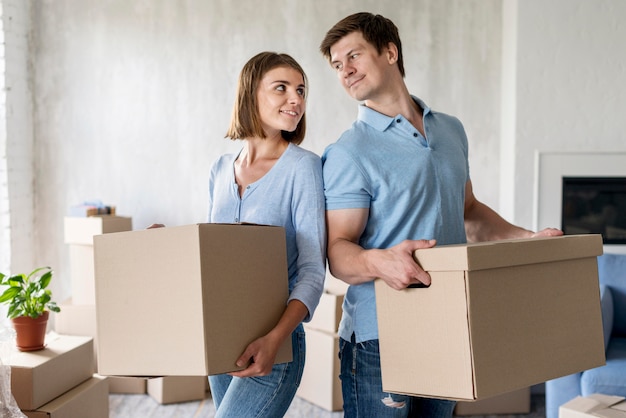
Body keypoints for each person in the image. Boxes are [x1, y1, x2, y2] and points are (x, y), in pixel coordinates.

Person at [318, 12, 562, 418]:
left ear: (390, 52)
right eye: (337, 66)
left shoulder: (451, 130)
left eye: (354, 56)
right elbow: (338, 251)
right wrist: (383, 262)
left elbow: (468, 210)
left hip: (448, 321)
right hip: (381, 337)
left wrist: (527, 238)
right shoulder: (349, 151)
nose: (346, 72)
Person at [206, 52, 326, 417]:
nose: (296, 99)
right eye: (282, 88)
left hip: (275, 342)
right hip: (220, 335)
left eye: (301, 90)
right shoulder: (221, 169)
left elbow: (311, 272)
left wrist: (276, 339)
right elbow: (211, 258)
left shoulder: (303, 168)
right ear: (250, 94)